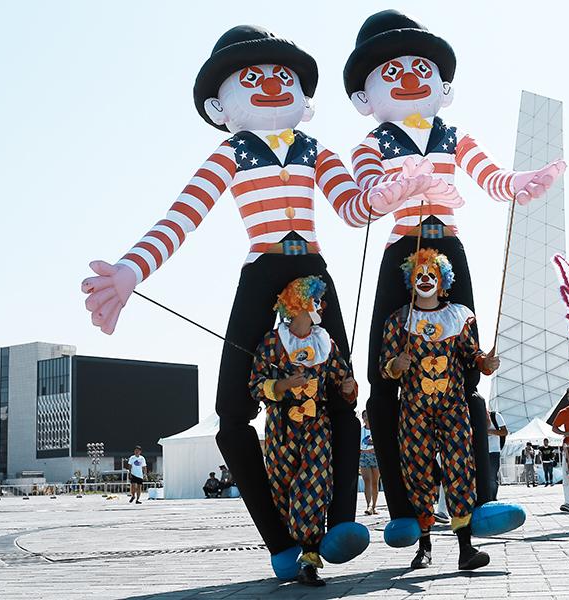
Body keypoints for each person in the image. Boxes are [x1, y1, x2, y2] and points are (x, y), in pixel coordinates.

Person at [79, 24, 435, 579]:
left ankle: (340, 522)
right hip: (262, 268)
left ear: (304, 97)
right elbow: (182, 216)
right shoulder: (230, 154)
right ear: (221, 105)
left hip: (313, 268)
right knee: (230, 415)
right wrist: (131, 270)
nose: (272, 85)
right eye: (254, 79)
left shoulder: (317, 151)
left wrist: (388, 195)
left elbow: (351, 207)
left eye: (282, 76)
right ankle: (280, 541)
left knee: (342, 392)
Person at [344, 9, 565, 545]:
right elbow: (365, 192)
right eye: (391, 71)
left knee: (469, 369)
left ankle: (479, 503)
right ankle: (403, 510)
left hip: (451, 247)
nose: (410, 77)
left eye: (420, 66)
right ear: (364, 97)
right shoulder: (372, 142)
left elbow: (489, 174)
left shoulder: (452, 134)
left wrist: (520, 184)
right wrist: (391, 191)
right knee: (382, 373)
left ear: (443, 87)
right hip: (402, 244)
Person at [381, 249, 501, 570]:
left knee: (459, 469)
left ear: (441, 281)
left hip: (452, 406)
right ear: (411, 280)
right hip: (414, 409)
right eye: (419, 275)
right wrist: (397, 364)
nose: (424, 279)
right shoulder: (398, 321)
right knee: (418, 471)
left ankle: (465, 549)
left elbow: (471, 355)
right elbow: (385, 368)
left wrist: (485, 363)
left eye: (430, 275)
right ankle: (424, 547)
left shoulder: (458, 317)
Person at [250, 276, 359, 586]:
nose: (320, 306)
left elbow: (342, 379)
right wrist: (283, 385)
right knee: (282, 491)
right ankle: (293, 551)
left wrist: (349, 388)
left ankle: (311, 557)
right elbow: (255, 386)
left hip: (316, 425)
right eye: (314, 301)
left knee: (313, 484)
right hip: (281, 428)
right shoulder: (271, 343)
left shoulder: (325, 341)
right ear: (297, 305)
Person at [359, 410, 381, 515]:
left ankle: (374, 506)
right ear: (363, 418)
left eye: (368, 416)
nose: (367, 418)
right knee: (367, 480)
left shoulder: (376, 429)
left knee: (375, 482)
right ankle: (368, 505)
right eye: (365, 416)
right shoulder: (361, 430)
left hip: (375, 456)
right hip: (364, 456)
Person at [487, 409, 509, 501]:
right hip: (480, 451)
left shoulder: (495, 416)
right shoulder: (474, 416)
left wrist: (489, 432)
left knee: (492, 476)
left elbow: (505, 432)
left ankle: (493, 498)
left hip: (493, 451)